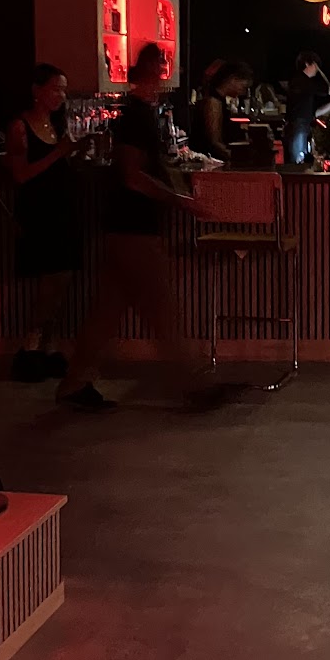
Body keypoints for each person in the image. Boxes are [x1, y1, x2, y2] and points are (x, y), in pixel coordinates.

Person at [58, 44, 217, 412]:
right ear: (153, 72)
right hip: (134, 227)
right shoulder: (136, 117)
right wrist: (182, 201)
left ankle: (73, 383)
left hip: (124, 225)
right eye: (162, 68)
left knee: (106, 311)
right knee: (162, 310)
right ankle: (193, 384)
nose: (165, 75)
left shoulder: (140, 114)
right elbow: (132, 176)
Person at [5, 64, 83, 381]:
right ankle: (32, 345)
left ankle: (48, 345)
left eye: (63, 90)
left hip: (62, 209)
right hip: (39, 211)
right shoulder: (20, 126)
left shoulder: (57, 124)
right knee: (52, 280)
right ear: (37, 91)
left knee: (64, 279)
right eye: (55, 89)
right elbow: (21, 174)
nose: (61, 96)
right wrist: (58, 154)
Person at [188, 58, 251, 160]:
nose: (242, 92)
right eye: (243, 87)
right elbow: (214, 142)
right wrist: (236, 157)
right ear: (232, 79)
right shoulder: (213, 102)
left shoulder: (218, 100)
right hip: (208, 160)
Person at [284, 51, 330, 166]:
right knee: (298, 161)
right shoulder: (301, 81)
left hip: (302, 124)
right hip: (299, 125)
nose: (317, 70)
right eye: (315, 66)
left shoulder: (304, 85)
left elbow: (314, 112)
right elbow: (326, 90)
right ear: (307, 64)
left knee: (300, 158)